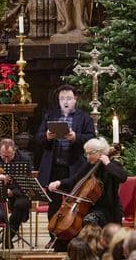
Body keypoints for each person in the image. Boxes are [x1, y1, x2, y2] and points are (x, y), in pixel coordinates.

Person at [36, 84, 95, 242]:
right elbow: (38, 138)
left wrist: (76, 138)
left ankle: (74, 235)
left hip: (75, 166)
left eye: (69, 98)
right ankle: (53, 238)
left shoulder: (84, 117)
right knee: (53, 205)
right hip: (54, 167)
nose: (65, 101)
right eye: (62, 98)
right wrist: (47, 136)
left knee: (76, 203)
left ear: (75, 99)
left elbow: (91, 138)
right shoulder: (51, 115)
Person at [48, 137, 128, 228]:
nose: (88, 157)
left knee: (88, 220)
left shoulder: (112, 164)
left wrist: (108, 164)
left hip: (108, 209)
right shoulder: (90, 165)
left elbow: (123, 177)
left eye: (90, 153)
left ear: (101, 152)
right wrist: (59, 183)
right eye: (86, 153)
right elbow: (74, 180)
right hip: (89, 208)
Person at [0, 138, 31, 245]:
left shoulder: (24, 158)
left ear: (14, 150)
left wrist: (12, 191)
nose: (6, 159)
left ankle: (8, 236)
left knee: (22, 204)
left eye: (9, 156)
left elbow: (26, 183)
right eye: (3, 156)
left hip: (16, 192)